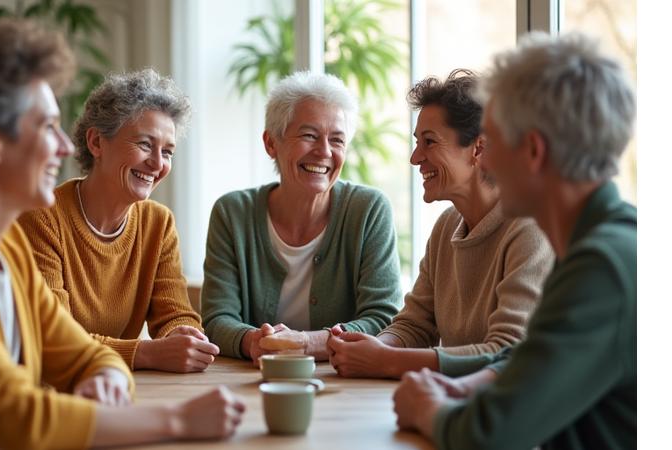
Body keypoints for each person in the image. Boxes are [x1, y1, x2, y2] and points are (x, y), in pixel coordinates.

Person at [0, 21, 244, 449]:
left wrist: (104, 375)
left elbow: (84, 353)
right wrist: (177, 420)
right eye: (47, 127)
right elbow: (15, 415)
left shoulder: (3, 246)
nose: (65, 148)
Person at [393, 32, 636, 450]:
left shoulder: (603, 266)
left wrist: (425, 408)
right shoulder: (593, 243)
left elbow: (490, 434)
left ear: (534, 150)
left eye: (494, 138)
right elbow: (536, 361)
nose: (483, 158)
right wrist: (468, 387)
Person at [327, 70, 553, 379]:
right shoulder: (447, 226)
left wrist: (385, 360)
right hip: (462, 403)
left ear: (479, 149)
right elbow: (415, 326)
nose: (415, 157)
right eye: (417, 142)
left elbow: (507, 352)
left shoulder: (530, 228)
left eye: (429, 142)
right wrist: (370, 347)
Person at [18, 69, 219, 373]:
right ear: (97, 142)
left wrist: (182, 334)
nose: (157, 163)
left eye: (167, 151)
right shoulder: (43, 217)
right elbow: (53, 339)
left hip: (117, 385)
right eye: (144, 144)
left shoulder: (158, 223)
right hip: (53, 392)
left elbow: (175, 312)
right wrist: (146, 354)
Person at [201, 71, 403, 365]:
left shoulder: (369, 210)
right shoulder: (233, 213)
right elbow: (218, 318)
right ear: (271, 143)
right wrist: (254, 342)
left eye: (337, 140)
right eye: (309, 135)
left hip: (345, 383)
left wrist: (309, 343)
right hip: (255, 381)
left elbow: (384, 318)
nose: (324, 152)